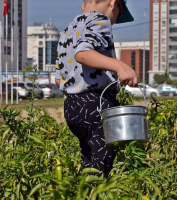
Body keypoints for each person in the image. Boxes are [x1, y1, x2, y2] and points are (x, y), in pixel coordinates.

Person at [55, 0, 138, 178]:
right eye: (119, 13)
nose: (115, 21)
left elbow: (58, 78)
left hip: (72, 107)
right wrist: (119, 66)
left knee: (89, 162)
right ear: (113, 4)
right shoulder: (101, 20)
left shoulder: (68, 30)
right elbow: (83, 54)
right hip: (96, 103)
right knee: (104, 166)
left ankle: (82, 193)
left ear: (83, 5)